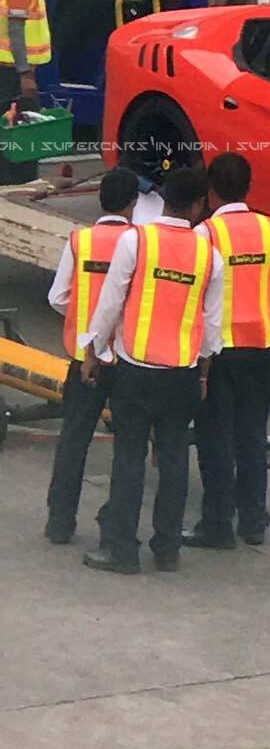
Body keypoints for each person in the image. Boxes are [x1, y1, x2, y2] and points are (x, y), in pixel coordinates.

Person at [79, 167, 223, 574]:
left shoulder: (136, 241)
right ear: (199, 206)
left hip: (135, 370)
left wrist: (93, 351)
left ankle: (122, 550)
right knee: (175, 459)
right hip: (181, 372)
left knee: (129, 459)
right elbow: (212, 326)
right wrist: (203, 372)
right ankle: (168, 549)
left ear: (162, 198)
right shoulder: (208, 256)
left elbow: (110, 304)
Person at [183, 153, 270, 549]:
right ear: (248, 187)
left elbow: (199, 295)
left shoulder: (206, 234)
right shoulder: (269, 229)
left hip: (219, 350)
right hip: (260, 345)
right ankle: (253, 520)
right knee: (252, 437)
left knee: (215, 438)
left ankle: (217, 522)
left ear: (210, 190)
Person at [44, 167, 139, 544]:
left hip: (85, 358)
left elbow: (57, 297)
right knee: (128, 445)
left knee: (73, 440)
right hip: (128, 358)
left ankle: (60, 522)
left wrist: (83, 323)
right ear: (133, 204)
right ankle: (114, 522)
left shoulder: (80, 241)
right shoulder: (139, 243)